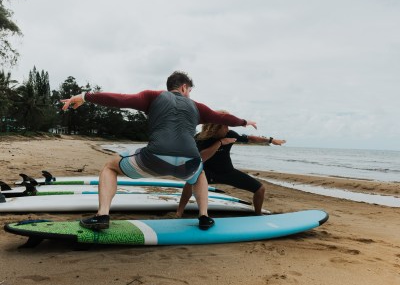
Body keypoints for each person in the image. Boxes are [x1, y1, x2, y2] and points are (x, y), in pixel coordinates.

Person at [61, 71, 256, 230]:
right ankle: (204, 217)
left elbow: (120, 100)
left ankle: (102, 215)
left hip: (154, 160)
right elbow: (223, 118)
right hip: (188, 164)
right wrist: (244, 122)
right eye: (189, 91)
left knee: (110, 167)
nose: (189, 95)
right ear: (184, 87)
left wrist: (85, 96)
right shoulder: (198, 107)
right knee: (200, 173)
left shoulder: (152, 97)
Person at [176, 116, 286, 217]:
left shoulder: (230, 134)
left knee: (260, 189)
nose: (228, 129)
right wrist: (219, 143)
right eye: (226, 126)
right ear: (216, 127)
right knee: (190, 183)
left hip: (227, 172)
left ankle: (258, 215)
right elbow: (201, 157)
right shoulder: (200, 138)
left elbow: (250, 138)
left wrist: (270, 140)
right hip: (206, 173)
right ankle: (179, 212)